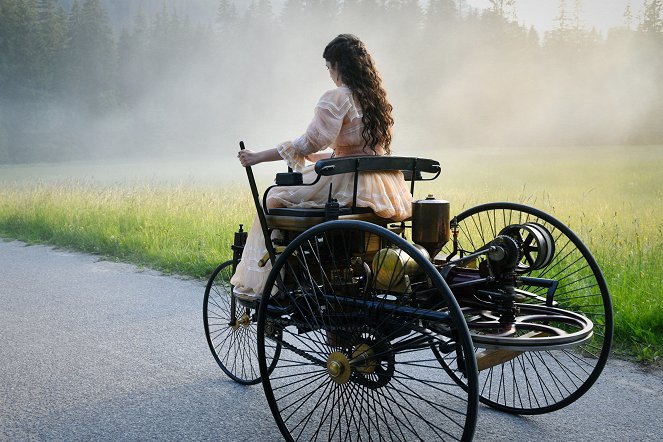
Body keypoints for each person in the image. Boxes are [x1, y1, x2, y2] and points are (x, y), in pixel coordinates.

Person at [231, 34, 413, 300]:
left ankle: (276, 277)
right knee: (291, 193)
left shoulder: (338, 97)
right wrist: (325, 159)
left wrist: (258, 156)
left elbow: (310, 142)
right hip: (380, 184)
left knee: (273, 198)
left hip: (349, 182)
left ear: (338, 65)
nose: (329, 74)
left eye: (329, 67)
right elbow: (356, 150)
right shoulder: (376, 100)